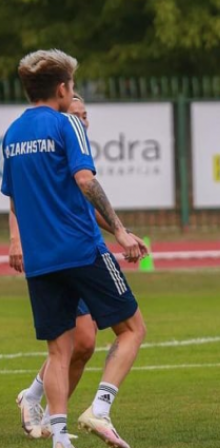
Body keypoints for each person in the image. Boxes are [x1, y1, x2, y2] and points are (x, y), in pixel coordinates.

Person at [1, 49, 147, 448]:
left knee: (60, 349)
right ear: (63, 88)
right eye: (74, 86)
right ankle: (99, 410)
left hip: (41, 259)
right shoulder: (67, 124)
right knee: (133, 329)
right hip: (82, 249)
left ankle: (59, 437)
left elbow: (13, 194)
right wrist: (120, 231)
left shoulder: (11, 134)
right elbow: (85, 181)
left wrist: (20, 240)